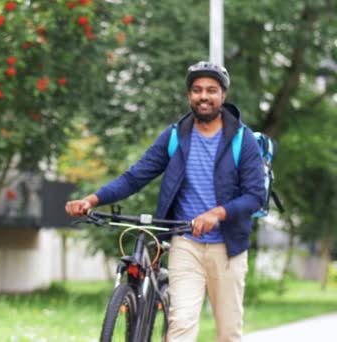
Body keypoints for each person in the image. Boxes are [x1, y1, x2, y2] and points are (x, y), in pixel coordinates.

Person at [65, 61, 265, 342]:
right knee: (180, 326)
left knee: (229, 333)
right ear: (188, 96)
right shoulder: (175, 136)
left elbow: (255, 196)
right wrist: (91, 199)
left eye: (211, 90)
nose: (203, 96)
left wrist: (217, 214)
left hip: (228, 248)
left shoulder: (242, 140)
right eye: (196, 90)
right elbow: (135, 177)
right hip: (186, 244)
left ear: (223, 95)